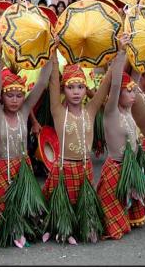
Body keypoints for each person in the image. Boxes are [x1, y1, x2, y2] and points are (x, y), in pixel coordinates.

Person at [42, 39, 113, 243]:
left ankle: (83, 222)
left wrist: (119, 55)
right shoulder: (58, 111)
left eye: (80, 87)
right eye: (71, 87)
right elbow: (53, 82)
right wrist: (54, 55)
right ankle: (60, 225)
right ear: (64, 90)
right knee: (62, 221)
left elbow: (106, 84)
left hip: (84, 169)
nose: (76, 92)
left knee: (86, 224)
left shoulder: (90, 111)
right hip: (63, 170)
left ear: (85, 90)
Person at [0, 32, 53, 245]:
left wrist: (50, 52)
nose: (15, 100)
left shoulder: (24, 111)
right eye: (10, 95)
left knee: (28, 215)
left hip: (23, 168)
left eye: (19, 95)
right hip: (1, 168)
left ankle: (21, 228)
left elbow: (42, 83)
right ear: (1, 97)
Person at [96, 34, 136, 239]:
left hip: (130, 168)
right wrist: (120, 53)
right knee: (115, 226)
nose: (134, 95)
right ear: (118, 95)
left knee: (127, 209)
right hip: (115, 168)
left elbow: (136, 72)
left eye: (134, 91)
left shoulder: (129, 111)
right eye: (129, 91)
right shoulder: (112, 111)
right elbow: (114, 84)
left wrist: (136, 48)